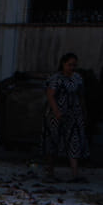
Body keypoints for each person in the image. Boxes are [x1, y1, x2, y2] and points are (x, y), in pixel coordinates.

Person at [44, 51, 87, 181]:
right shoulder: (56, 79)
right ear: (63, 64)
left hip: (73, 114)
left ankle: (75, 173)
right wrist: (56, 111)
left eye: (74, 65)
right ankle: (50, 172)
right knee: (53, 141)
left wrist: (84, 112)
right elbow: (50, 95)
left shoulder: (77, 78)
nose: (72, 68)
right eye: (69, 65)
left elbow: (81, 96)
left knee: (74, 142)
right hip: (56, 114)